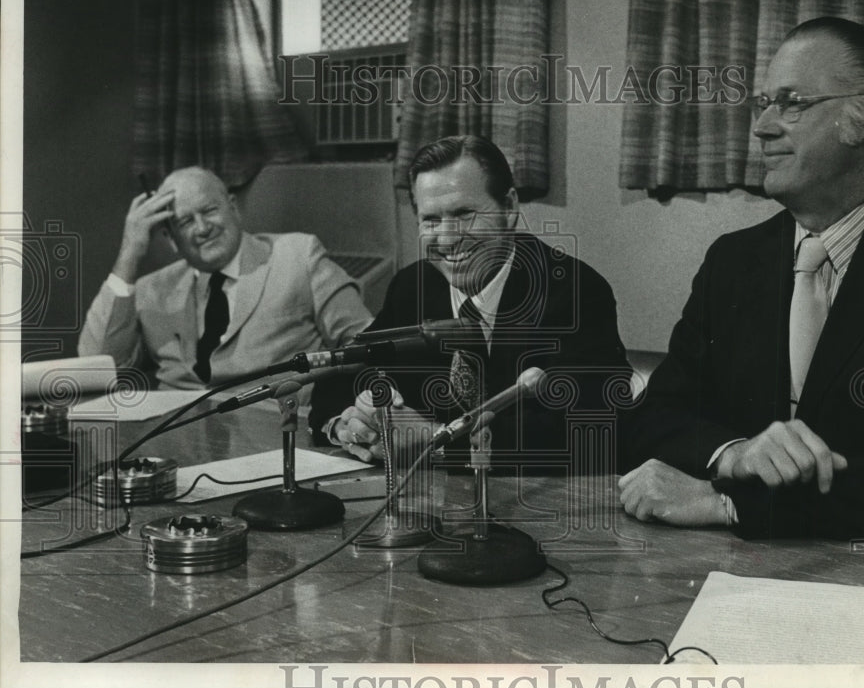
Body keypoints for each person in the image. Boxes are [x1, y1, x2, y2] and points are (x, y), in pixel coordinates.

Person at [619, 17, 864, 541]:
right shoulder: (732, 261)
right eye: (763, 103)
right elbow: (655, 416)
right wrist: (734, 455)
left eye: (791, 103)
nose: (762, 126)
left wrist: (727, 501)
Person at [309, 135, 631, 471]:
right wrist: (348, 426)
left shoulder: (575, 292)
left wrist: (436, 440)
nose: (447, 238)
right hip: (433, 501)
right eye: (431, 220)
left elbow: (588, 429)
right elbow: (342, 378)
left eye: (464, 214)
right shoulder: (412, 287)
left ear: (509, 208)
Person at [78, 166, 372, 389]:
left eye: (209, 211)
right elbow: (96, 369)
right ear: (170, 239)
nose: (202, 228)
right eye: (185, 222)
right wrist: (129, 255)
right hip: (177, 444)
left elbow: (366, 345)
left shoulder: (298, 256)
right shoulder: (151, 289)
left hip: (278, 435)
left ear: (233, 207)